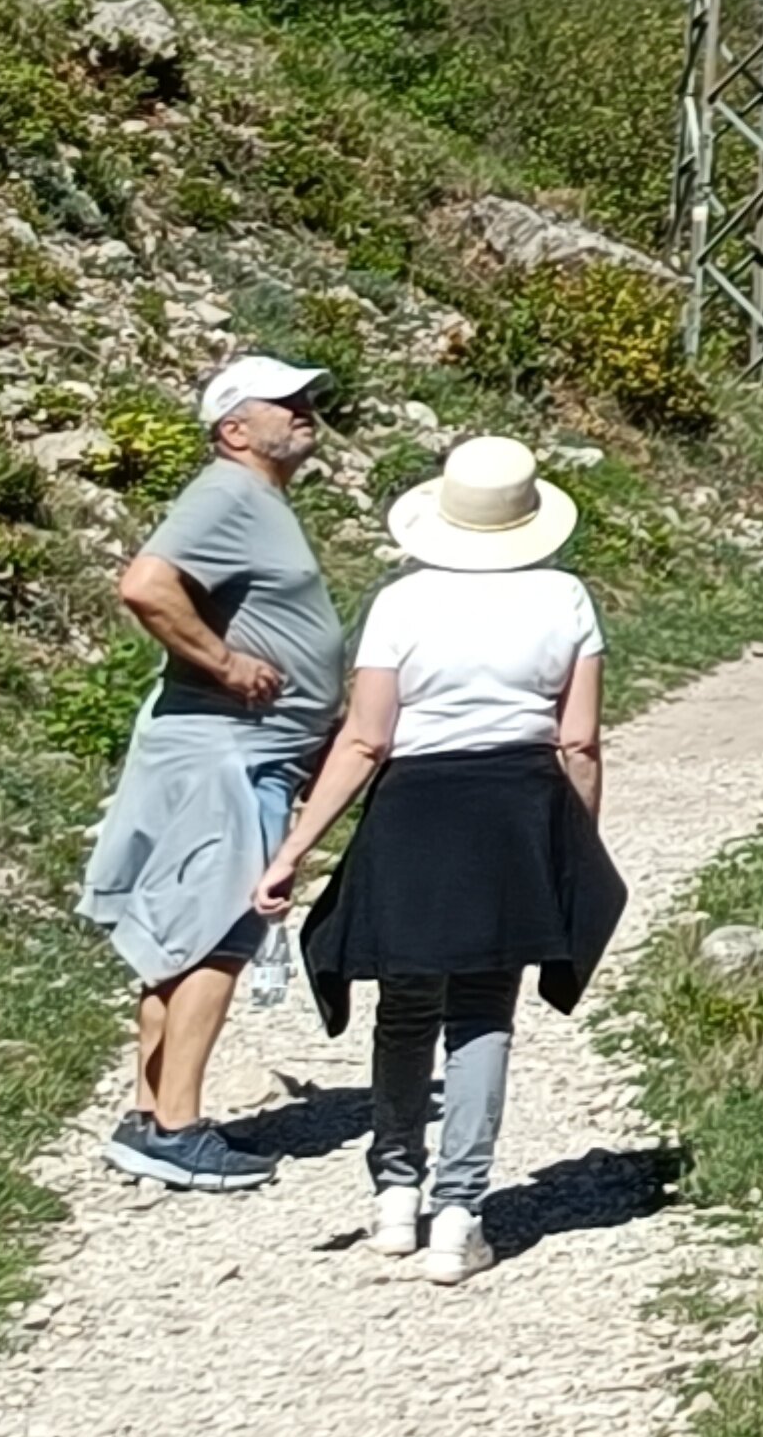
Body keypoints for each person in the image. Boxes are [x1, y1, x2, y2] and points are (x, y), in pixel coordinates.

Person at [255, 431, 623, 1280]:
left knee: (406, 1002)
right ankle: (459, 1214)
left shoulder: (401, 604)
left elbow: (366, 739)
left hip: (415, 810)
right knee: (486, 1011)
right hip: (515, 811)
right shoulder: (566, 598)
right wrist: (579, 846)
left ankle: (394, 1194)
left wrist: (295, 849)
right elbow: (579, 741)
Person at [71, 358, 335, 1192]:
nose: (304, 412)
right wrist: (224, 664)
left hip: (238, 747)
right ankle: (178, 1129)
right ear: (233, 429)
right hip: (228, 747)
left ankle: (152, 1113)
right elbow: (145, 586)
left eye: (306, 400)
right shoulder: (226, 492)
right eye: (285, 404)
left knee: (184, 929)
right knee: (221, 932)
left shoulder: (252, 499)